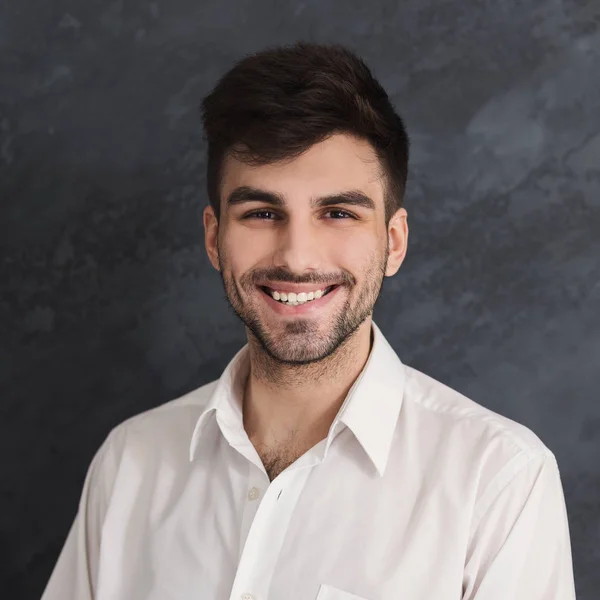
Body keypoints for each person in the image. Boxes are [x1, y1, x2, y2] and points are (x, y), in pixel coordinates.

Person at [41, 41, 576, 600]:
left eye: (339, 212)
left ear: (393, 243)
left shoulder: (499, 482)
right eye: (262, 213)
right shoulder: (130, 464)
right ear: (213, 237)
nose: (297, 257)